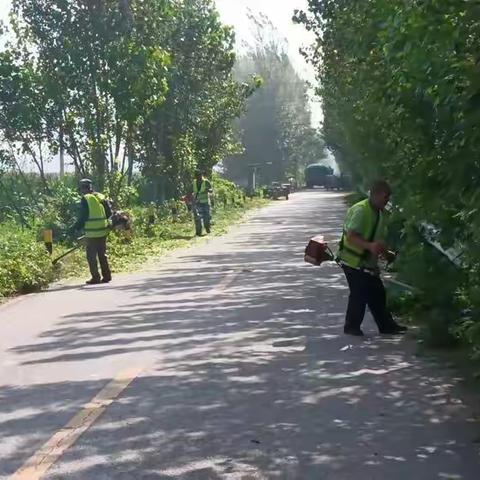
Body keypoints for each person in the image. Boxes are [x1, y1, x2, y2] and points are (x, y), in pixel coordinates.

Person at [337, 180, 408, 336]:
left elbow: (376, 240)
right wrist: (370, 247)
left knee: (377, 293)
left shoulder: (378, 213)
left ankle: (386, 326)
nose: (387, 201)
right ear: (376, 194)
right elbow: (351, 237)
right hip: (352, 260)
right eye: (385, 198)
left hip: (366, 261)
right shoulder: (361, 211)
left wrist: (385, 253)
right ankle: (351, 327)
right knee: (359, 293)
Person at [73, 179, 112, 285]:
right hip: (103, 230)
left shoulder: (86, 199)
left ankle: (95, 277)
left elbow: (83, 216)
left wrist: (75, 228)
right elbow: (109, 213)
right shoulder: (101, 197)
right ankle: (107, 276)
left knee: (91, 256)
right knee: (102, 254)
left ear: (82, 188)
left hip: (92, 232)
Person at [192, 170, 213, 236]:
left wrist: (208, 190)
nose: (199, 177)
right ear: (195, 176)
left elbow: (211, 190)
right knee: (198, 217)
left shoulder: (206, 182)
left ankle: (207, 227)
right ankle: (198, 232)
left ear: (202, 175)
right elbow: (190, 191)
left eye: (200, 175)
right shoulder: (194, 183)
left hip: (205, 202)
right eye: (197, 175)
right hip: (197, 202)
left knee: (206, 217)